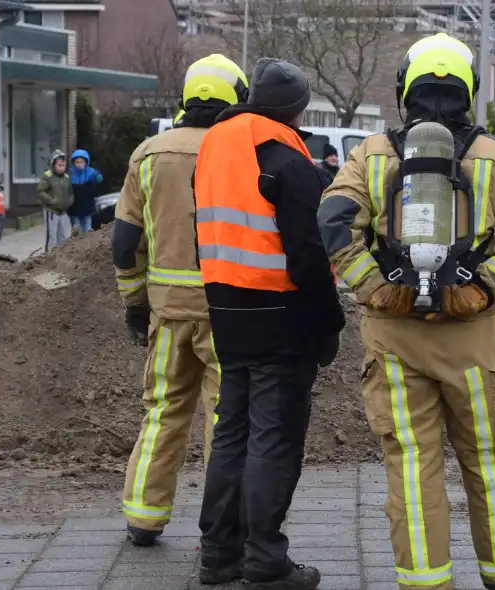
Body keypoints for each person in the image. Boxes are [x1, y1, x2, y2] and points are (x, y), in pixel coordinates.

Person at [319, 32, 495, 590]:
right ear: (469, 91)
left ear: (405, 90)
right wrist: (484, 286)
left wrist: (374, 287)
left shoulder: (369, 155)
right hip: (471, 338)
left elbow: (332, 223)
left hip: (393, 338)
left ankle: (425, 582)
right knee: (493, 459)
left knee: (413, 466)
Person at [194, 57, 345, 590]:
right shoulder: (288, 160)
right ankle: (265, 560)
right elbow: (308, 253)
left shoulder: (215, 147)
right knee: (273, 441)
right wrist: (328, 325)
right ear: (298, 109)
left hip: (225, 312)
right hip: (280, 318)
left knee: (231, 433)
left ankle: (218, 555)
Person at [111, 54, 249, 550]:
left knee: (163, 410)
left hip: (168, 315)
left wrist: (135, 304)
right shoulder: (239, 151)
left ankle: (143, 517)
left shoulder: (148, 154)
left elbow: (125, 242)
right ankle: (223, 528)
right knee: (225, 418)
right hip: (228, 315)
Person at [37, 150, 73, 251]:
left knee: (64, 237)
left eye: (64, 165)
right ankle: (49, 258)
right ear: (53, 164)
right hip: (51, 211)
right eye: (59, 165)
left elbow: (70, 193)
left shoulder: (66, 177)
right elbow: (41, 191)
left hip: (63, 212)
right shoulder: (47, 176)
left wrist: (69, 202)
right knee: (52, 238)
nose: (62, 168)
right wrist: (51, 201)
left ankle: (61, 258)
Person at [67, 148, 103, 233]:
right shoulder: (70, 174)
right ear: (73, 163)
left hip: (87, 208)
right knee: (76, 232)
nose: (79, 164)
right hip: (74, 209)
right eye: (77, 162)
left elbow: (99, 180)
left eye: (82, 162)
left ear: (86, 162)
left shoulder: (91, 172)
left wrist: (97, 176)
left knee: (87, 231)